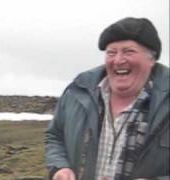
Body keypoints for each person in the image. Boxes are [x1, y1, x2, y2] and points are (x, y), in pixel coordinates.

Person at [45, 17, 169, 180]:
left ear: (151, 59)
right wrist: (60, 167)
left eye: (128, 51)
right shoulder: (77, 91)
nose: (118, 60)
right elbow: (55, 136)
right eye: (111, 52)